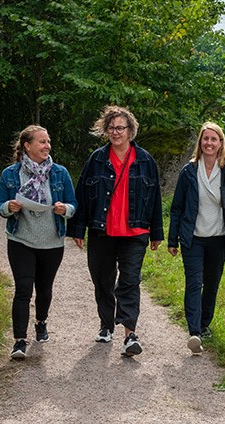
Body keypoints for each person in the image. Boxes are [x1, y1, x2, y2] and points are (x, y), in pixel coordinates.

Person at [67, 105, 164, 357]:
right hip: (102, 231)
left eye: (120, 127)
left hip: (135, 232)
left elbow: (155, 199)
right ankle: (106, 324)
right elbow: (82, 194)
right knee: (102, 280)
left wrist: (157, 233)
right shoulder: (97, 159)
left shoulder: (145, 160)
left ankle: (129, 334)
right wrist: (78, 228)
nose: (115, 132)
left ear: (130, 130)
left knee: (130, 281)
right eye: (111, 128)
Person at [0, 125, 78, 359]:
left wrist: (65, 209)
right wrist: (8, 207)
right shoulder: (10, 174)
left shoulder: (60, 173)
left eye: (48, 141)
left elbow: (74, 205)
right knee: (23, 289)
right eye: (41, 142)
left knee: (44, 289)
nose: (47, 146)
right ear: (27, 146)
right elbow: (0, 206)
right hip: (21, 239)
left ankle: (41, 321)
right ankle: (19, 341)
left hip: (52, 243)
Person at [167, 122, 225, 354]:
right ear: (200, 143)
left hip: (219, 239)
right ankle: (194, 332)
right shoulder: (189, 171)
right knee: (194, 283)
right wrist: (173, 240)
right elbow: (177, 208)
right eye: (205, 139)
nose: (209, 143)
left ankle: (204, 324)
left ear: (221, 144)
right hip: (193, 239)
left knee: (211, 284)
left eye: (214, 139)